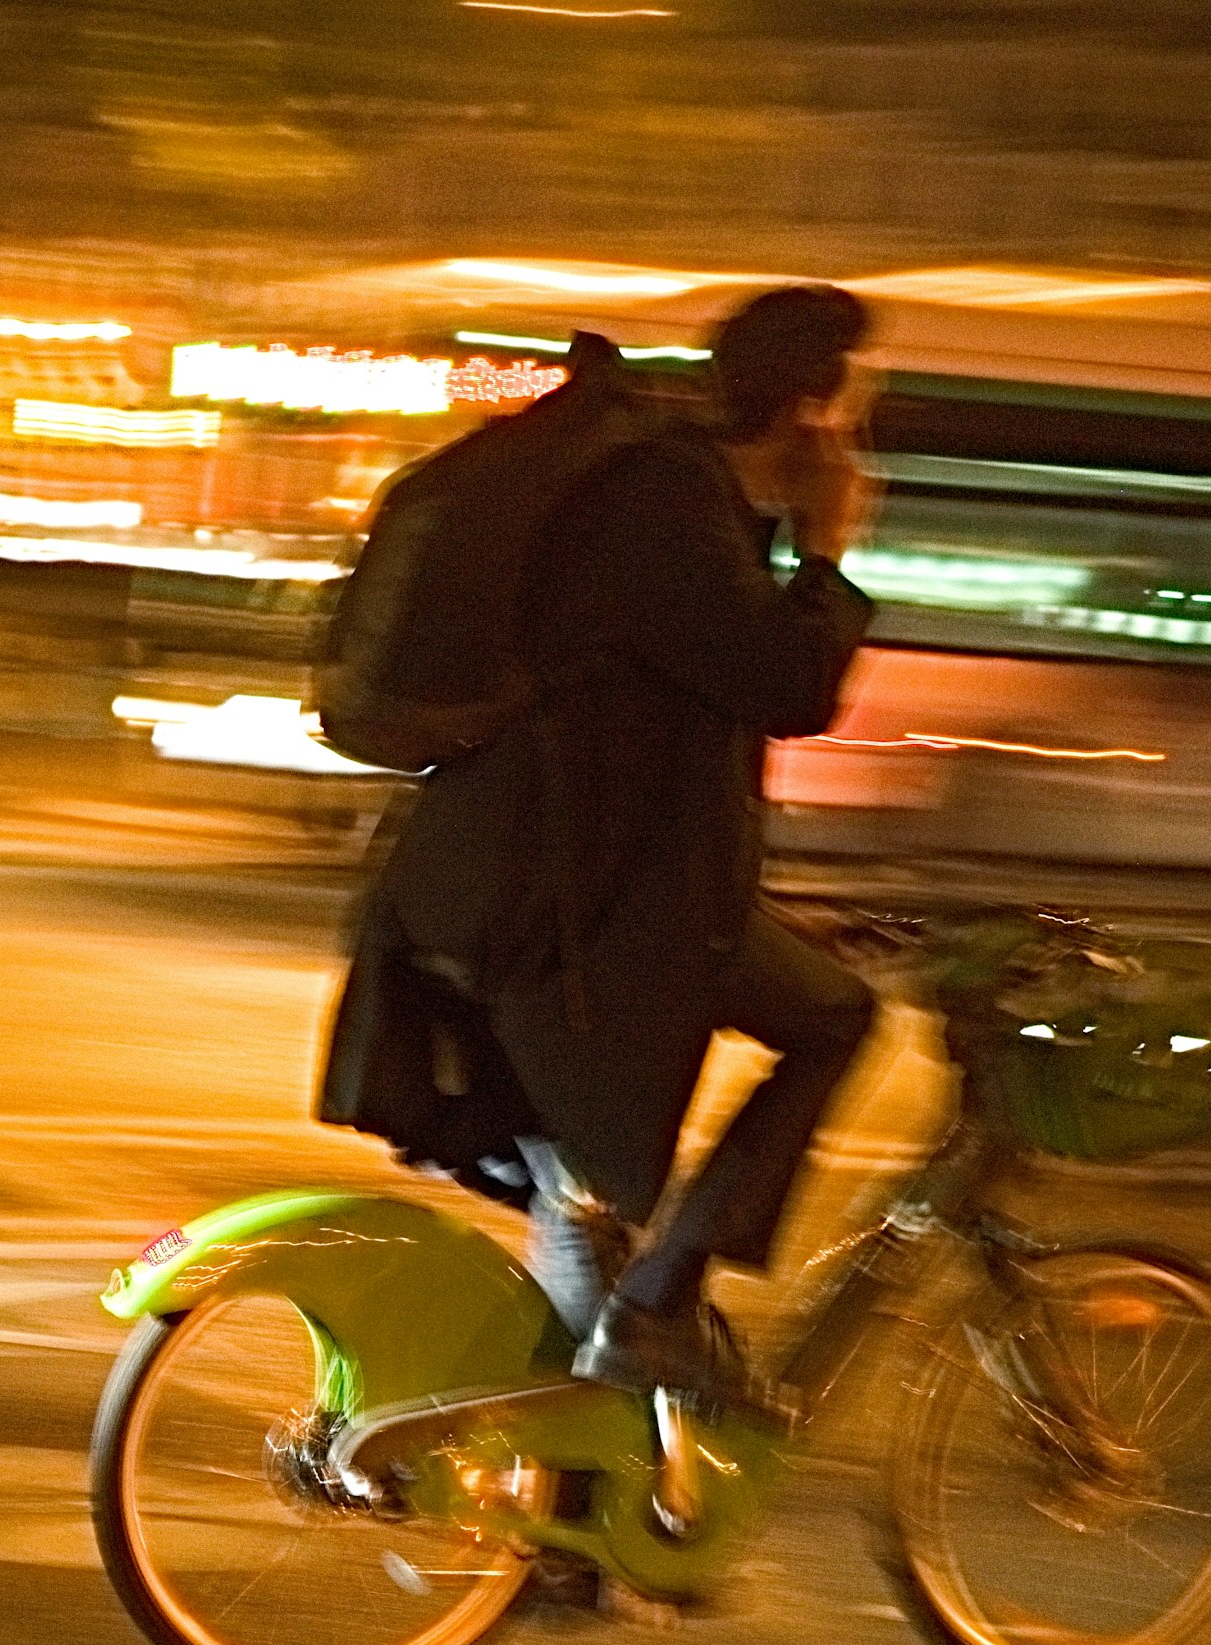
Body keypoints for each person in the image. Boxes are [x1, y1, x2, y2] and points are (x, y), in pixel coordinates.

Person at [328, 283, 882, 1409]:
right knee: (834, 1019)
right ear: (811, 413)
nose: (864, 444)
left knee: (580, 1199)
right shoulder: (667, 500)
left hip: (550, 888)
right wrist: (829, 549)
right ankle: (658, 1305)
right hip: (553, 908)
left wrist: (764, 912)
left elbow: (673, 761)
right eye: (858, 413)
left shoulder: (684, 501)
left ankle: (575, 1529)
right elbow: (785, 684)